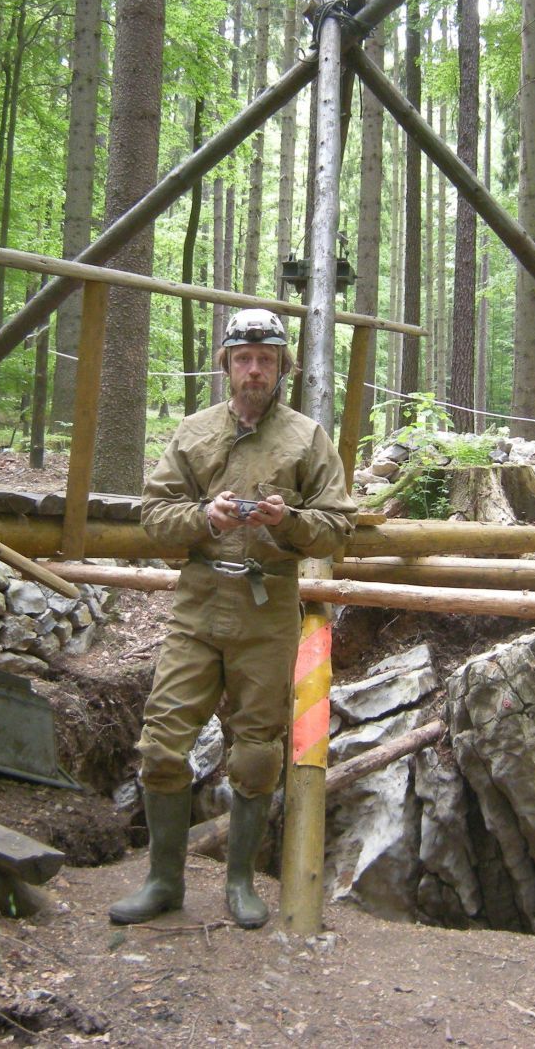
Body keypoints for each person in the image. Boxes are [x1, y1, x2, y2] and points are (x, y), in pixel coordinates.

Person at [110, 308, 357, 929]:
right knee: (163, 745)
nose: (254, 371)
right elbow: (154, 515)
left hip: (268, 606)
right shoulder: (193, 433)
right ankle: (163, 881)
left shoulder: (307, 438)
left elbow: (338, 528)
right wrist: (207, 518)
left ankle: (241, 882)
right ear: (226, 364)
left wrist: (287, 521)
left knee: (254, 754)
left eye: (266, 361)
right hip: (197, 604)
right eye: (244, 359)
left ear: (282, 369)